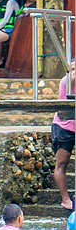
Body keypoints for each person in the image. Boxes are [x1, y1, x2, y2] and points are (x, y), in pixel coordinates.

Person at [52, 60, 76, 210]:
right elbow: (72, 78)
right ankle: (65, 199)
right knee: (62, 163)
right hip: (64, 127)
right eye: (71, 68)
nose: (73, 71)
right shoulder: (66, 81)